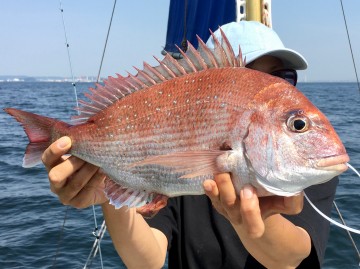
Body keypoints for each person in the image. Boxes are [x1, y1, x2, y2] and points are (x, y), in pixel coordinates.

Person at [43, 21, 337, 269]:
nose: (273, 88)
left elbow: (292, 260)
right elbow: (147, 260)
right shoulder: (183, 162)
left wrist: (256, 220)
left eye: (283, 77)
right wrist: (108, 188)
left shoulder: (304, 162)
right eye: (250, 77)